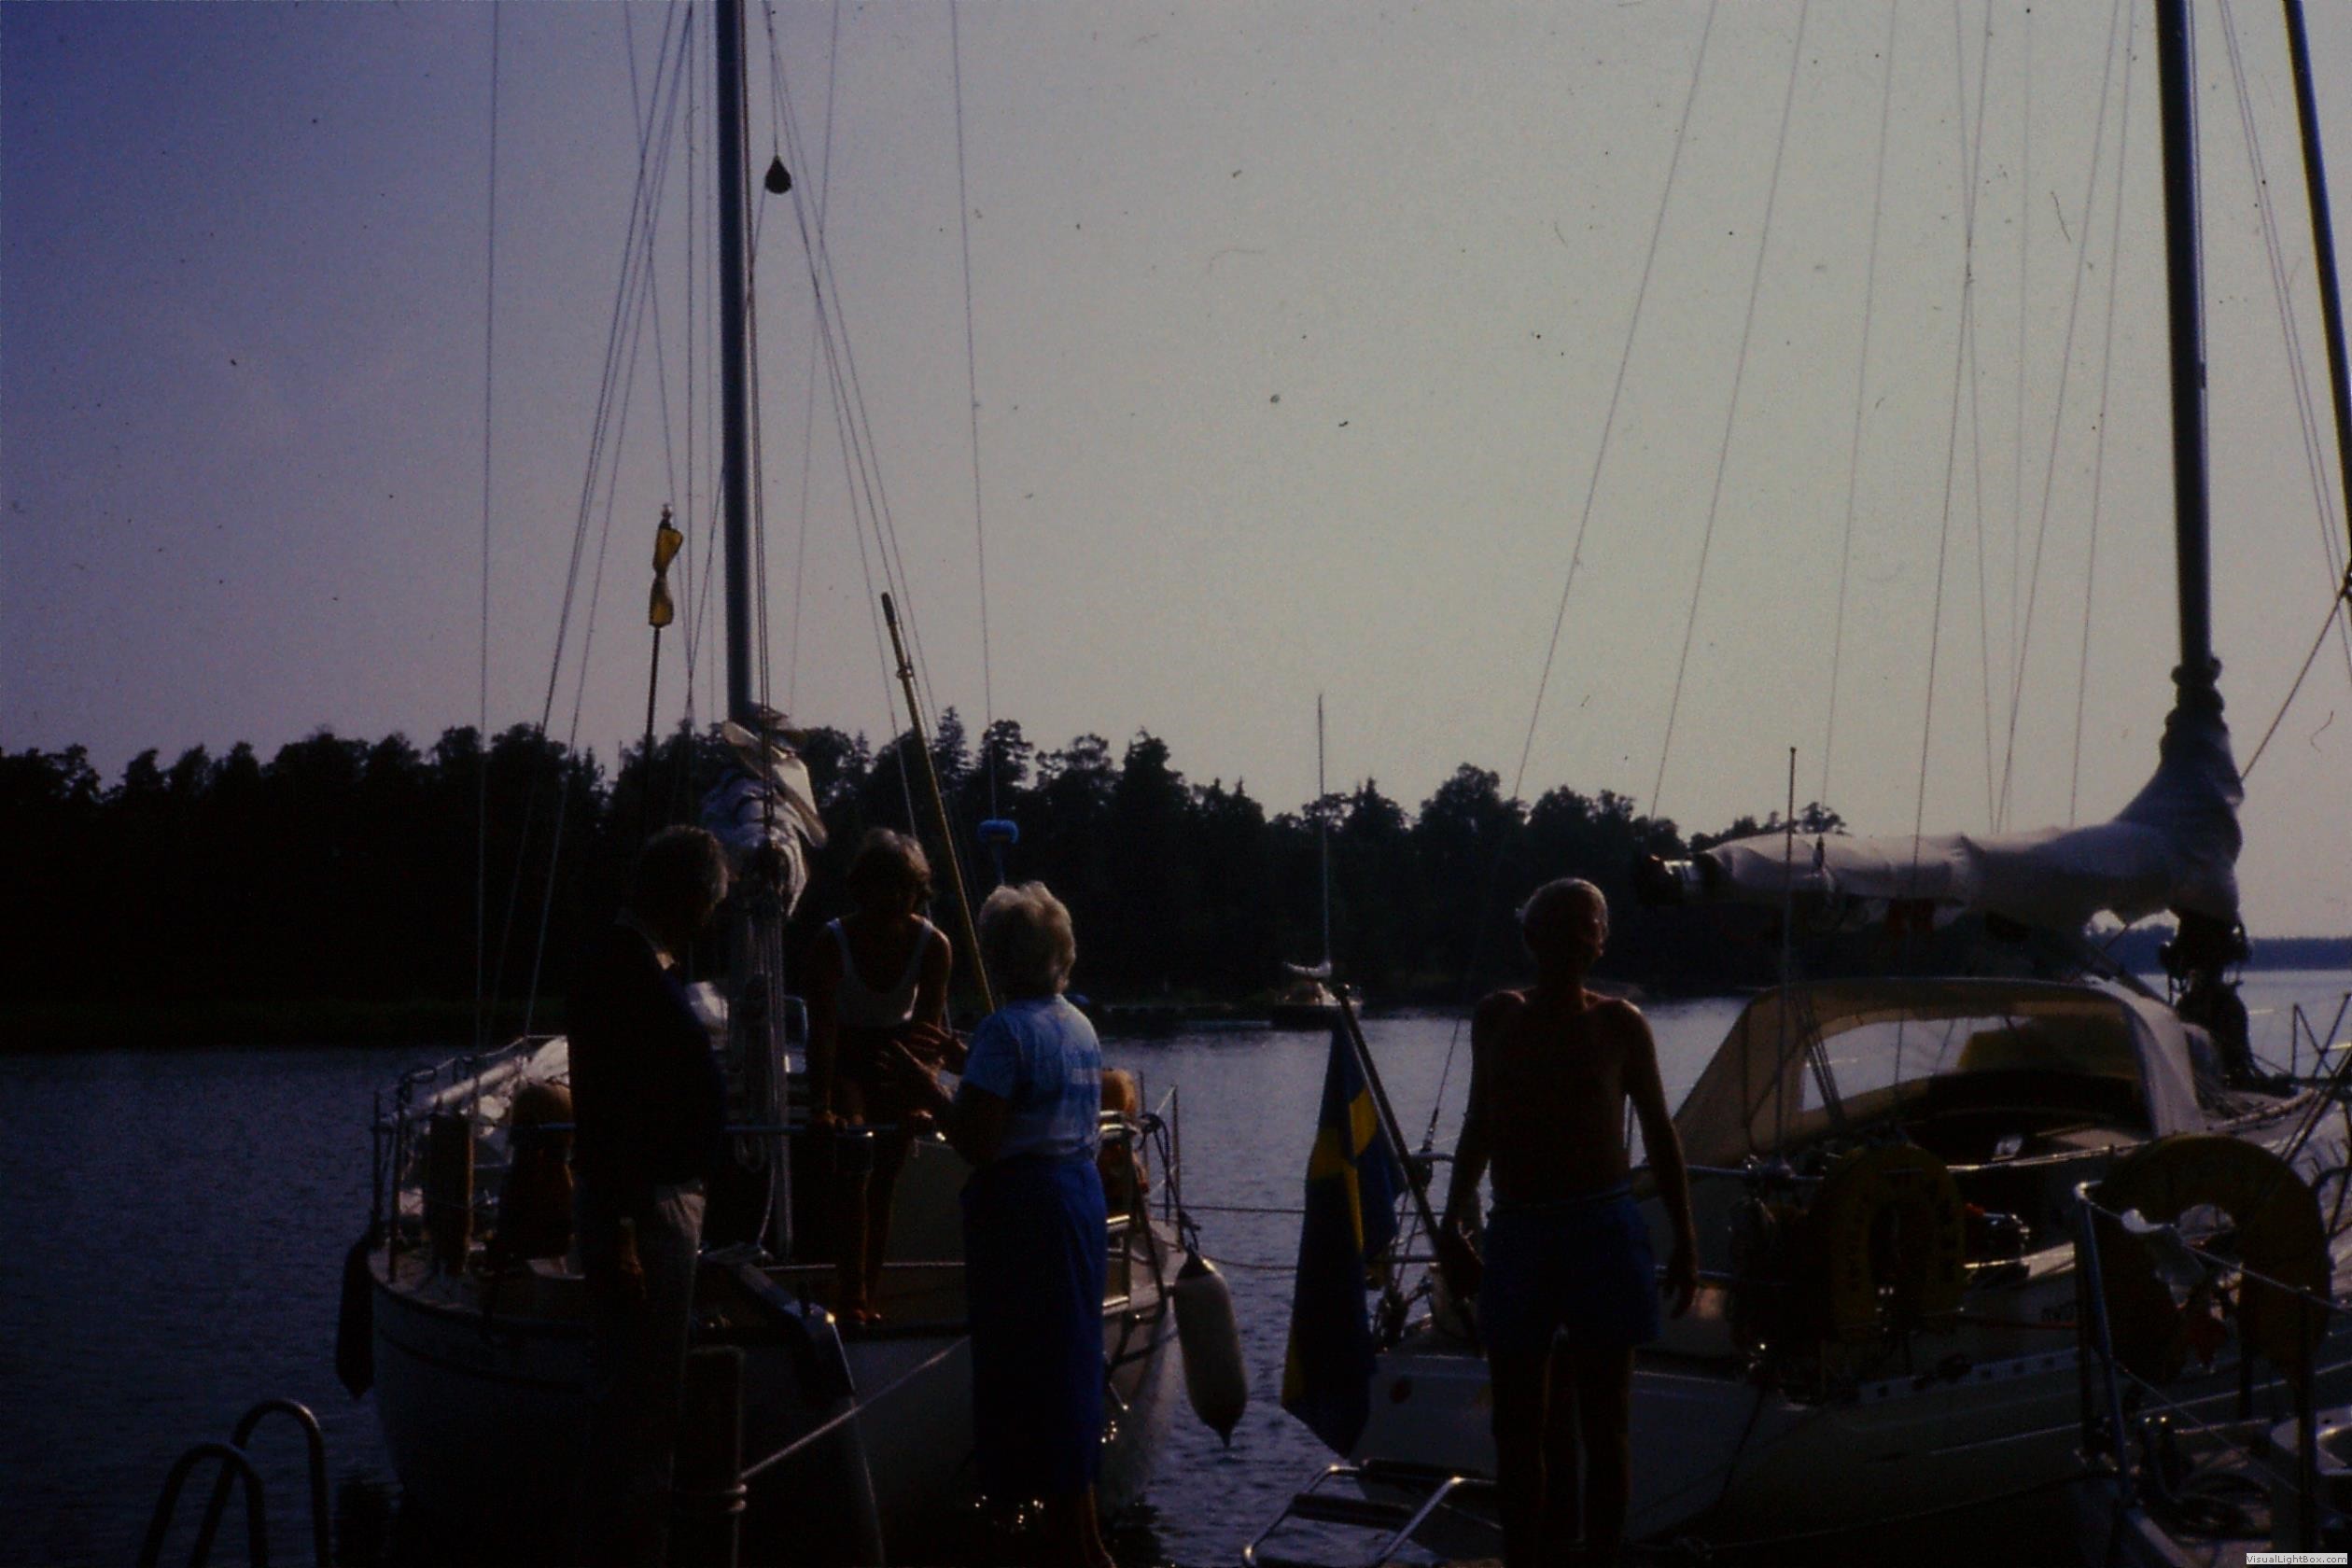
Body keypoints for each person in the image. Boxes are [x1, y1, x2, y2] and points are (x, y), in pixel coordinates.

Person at [1440, 878, 1699, 1568]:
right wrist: (1451, 1221)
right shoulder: (1497, 1018)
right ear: (1531, 939)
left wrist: (1685, 1238)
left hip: (1601, 1230)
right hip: (1519, 1231)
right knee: (1516, 1425)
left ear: (1601, 942)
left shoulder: (1621, 1025)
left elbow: (1660, 1133)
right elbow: (1479, 1124)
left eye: (1587, 927)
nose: (1575, 940)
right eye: (1560, 927)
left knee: (1605, 1424)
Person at [889, 881, 1112, 1568]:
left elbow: (979, 1142)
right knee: (1068, 1367)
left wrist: (927, 1086)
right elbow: (1035, 1091)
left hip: (1026, 1211)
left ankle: (1058, 1539)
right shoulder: (1078, 1024)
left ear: (999, 955)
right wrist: (969, 1066)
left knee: (1028, 1371)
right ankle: (1084, 1539)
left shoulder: (1004, 1030)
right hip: (1078, 1198)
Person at [568, 825, 732, 1568]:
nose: (710, 919)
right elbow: (614, 1110)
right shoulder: (625, 971)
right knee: (639, 1406)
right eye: (708, 903)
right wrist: (626, 1228)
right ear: (686, 897)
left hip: (657, 1203)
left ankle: (632, 1541)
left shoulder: (627, 963)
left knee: (642, 1402)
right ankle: (630, 1549)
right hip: (646, 1211)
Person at [805, 828, 956, 1323]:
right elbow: (823, 1030)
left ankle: (866, 1293)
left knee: (886, 1178)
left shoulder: (934, 946)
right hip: (846, 1056)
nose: (893, 898)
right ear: (861, 887)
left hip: (899, 1056)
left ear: (918, 892)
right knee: (855, 1157)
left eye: (904, 888)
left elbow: (928, 1035)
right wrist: (821, 1104)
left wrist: (920, 1098)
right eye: (883, 886)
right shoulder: (832, 942)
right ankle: (851, 1295)